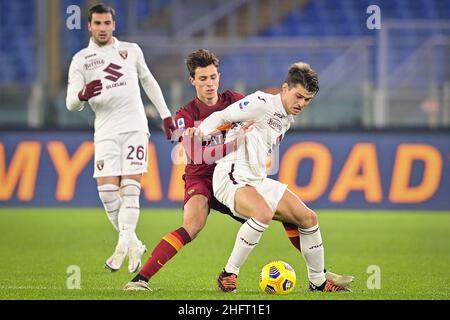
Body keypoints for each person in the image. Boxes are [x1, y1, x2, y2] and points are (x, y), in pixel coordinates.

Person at [123, 49, 305, 291]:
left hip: (235, 175)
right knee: (193, 225)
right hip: (202, 176)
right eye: (202, 79)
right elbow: (197, 155)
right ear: (192, 81)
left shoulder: (235, 101)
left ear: (218, 76)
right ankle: (140, 280)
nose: (209, 84)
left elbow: (265, 122)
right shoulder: (185, 115)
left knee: (284, 213)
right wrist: (233, 144)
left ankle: (319, 274)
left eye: (212, 77)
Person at [194, 62, 354, 293]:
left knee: (308, 218)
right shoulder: (261, 103)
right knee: (263, 213)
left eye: (307, 100)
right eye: (298, 96)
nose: (301, 104)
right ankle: (228, 274)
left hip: (257, 180)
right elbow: (221, 115)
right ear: (285, 88)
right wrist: (201, 132)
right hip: (231, 176)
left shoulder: (286, 116)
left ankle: (318, 282)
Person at [66, 3, 176, 273]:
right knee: (106, 194)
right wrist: (82, 96)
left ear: (114, 25)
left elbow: (149, 81)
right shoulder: (81, 60)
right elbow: (70, 103)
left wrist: (165, 115)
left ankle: (120, 247)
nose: (103, 28)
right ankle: (134, 243)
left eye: (107, 23)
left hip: (135, 127)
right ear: (89, 26)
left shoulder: (131, 50)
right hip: (104, 131)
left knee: (129, 190)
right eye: (97, 24)